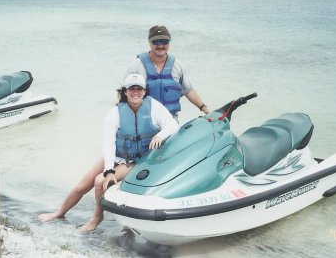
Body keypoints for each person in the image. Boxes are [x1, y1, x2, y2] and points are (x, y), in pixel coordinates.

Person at [39, 74, 179, 231]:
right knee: (82, 186)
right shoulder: (114, 113)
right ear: (125, 92)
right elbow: (109, 144)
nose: (135, 92)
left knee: (99, 181)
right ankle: (59, 213)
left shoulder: (155, 107)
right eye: (131, 88)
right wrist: (109, 170)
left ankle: (97, 217)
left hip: (138, 160)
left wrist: (160, 135)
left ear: (144, 91)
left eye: (139, 88)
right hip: (118, 155)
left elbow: (173, 125)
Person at [126, 25, 210, 118]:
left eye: (164, 42)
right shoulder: (137, 65)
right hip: (144, 118)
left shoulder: (177, 65)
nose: (161, 46)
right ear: (149, 43)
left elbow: (188, 91)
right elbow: (123, 91)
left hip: (170, 119)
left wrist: (204, 109)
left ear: (169, 43)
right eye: (156, 42)